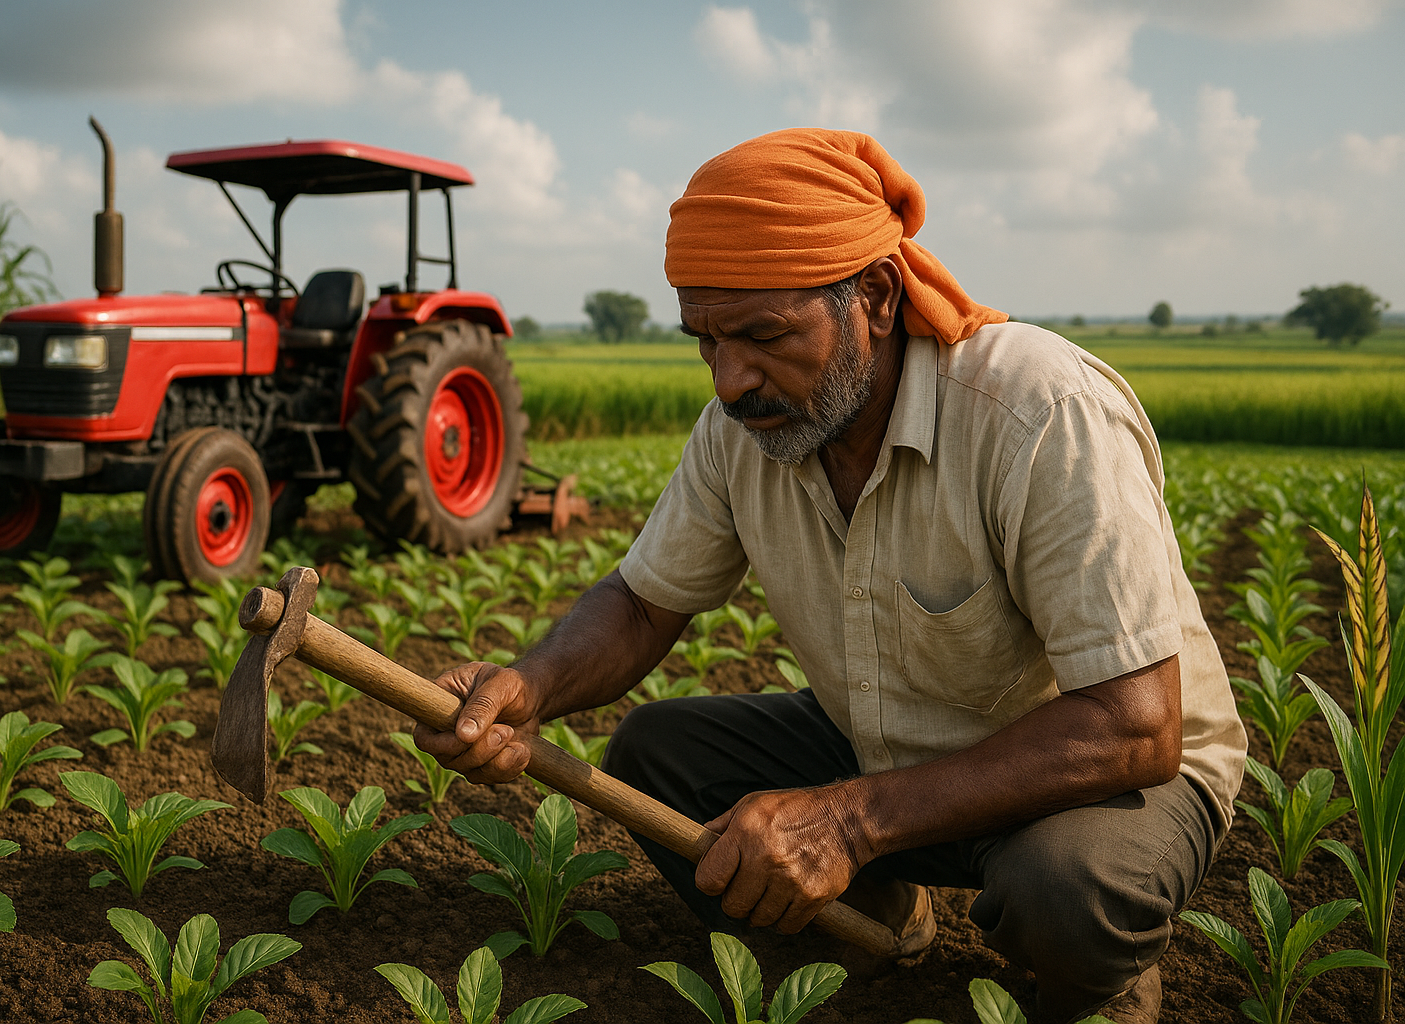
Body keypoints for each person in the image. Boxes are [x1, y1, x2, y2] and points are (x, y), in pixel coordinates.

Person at [415, 128, 1245, 1024]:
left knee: (1064, 892)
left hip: (1090, 773)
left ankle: (1102, 988)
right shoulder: (745, 431)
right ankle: (879, 914)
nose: (731, 382)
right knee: (658, 760)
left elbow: (1134, 727)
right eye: (706, 342)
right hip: (894, 742)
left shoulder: (1038, 412)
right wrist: (529, 686)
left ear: (878, 298)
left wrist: (848, 822)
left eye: (764, 334)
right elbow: (640, 604)